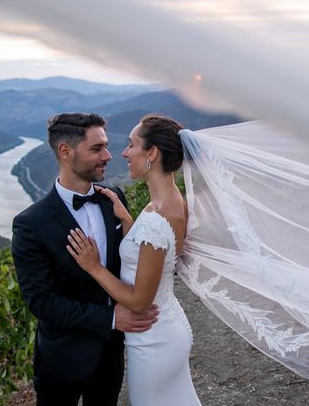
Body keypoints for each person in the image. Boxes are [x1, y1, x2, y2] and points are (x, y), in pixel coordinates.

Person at [11, 112, 159, 406]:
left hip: (111, 355)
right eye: (96, 149)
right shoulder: (31, 223)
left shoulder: (113, 197)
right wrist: (112, 318)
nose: (108, 155)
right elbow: (41, 301)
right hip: (62, 359)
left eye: (105, 145)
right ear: (65, 152)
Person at [67, 114, 201, 406]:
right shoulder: (171, 201)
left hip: (152, 341)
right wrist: (129, 221)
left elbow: (139, 302)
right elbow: (156, 254)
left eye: (131, 145)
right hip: (168, 326)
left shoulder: (157, 218)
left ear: (151, 153)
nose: (124, 153)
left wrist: (94, 267)